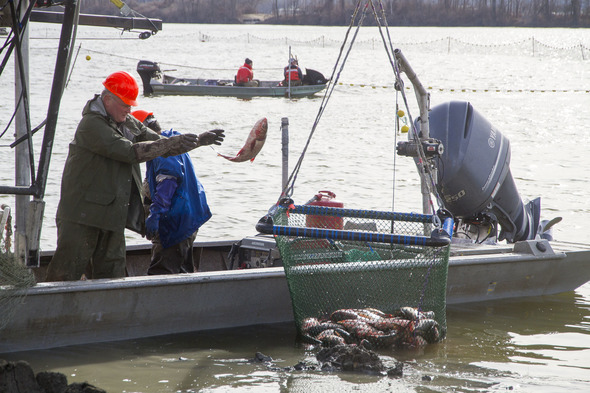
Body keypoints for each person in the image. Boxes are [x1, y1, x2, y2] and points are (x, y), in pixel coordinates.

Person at [45, 71, 224, 282]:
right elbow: (131, 151)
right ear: (107, 99)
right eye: (125, 104)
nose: (129, 110)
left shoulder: (125, 120)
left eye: (131, 105)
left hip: (111, 215)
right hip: (81, 216)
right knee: (66, 272)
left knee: (112, 276)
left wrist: (198, 141)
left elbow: (157, 142)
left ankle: (109, 315)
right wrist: (172, 143)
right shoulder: (91, 125)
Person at [132, 110, 224, 275]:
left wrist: (155, 215)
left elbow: (167, 184)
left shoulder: (162, 152)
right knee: (181, 269)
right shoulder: (173, 139)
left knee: (161, 272)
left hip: (175, 221)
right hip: (188, 217)